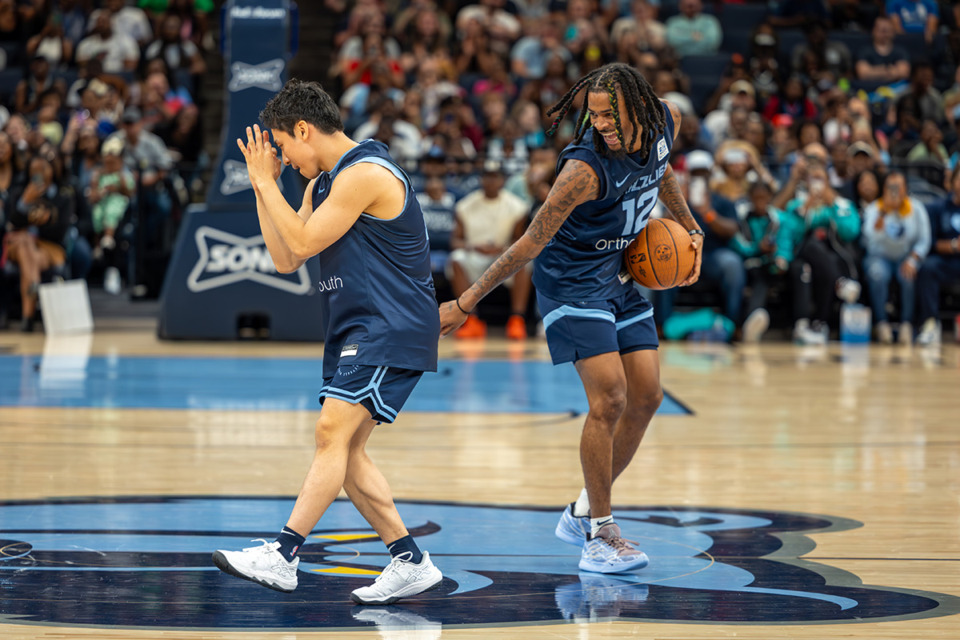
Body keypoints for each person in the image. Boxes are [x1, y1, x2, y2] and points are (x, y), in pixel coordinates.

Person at [438, 63, 704, 573]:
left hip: (622, 273)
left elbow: (662, 172)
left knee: (647, 397)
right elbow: (531, 242)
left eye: (610, 113)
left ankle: (581, 508)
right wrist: (466, 301)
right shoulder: (582, 170)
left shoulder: (665, 121)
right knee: (610, 397)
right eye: (594, 114)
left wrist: (690, 228)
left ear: (641, 109)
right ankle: (599, 533)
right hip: (572, 282)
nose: (600, 123)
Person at [212, 79, 443, 605]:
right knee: (348, 450)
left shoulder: (364, 173)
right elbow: (287, 258)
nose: (285, 161)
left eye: (284, 147)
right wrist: (260, 187)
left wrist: (266, 183)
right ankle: (410, 560)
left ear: (303, 129)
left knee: (329, 433)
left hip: (390, 323)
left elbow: (300, 240)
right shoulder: (325, 183)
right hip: (355, 325)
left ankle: (284, 553)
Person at [862, 171, 931, 344]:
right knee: (877, 274)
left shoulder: (916, 208)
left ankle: (907, 324)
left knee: (908, 275)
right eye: (889, 187)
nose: (894, 191)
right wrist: (884, 213)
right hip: (880, 256)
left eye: (897, 187)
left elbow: (924, 239)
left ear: (905, 189)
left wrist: (913, 260)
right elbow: (870, 238)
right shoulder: (875, 208)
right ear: (883, 189)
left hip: (905, 256)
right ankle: (881, 323)